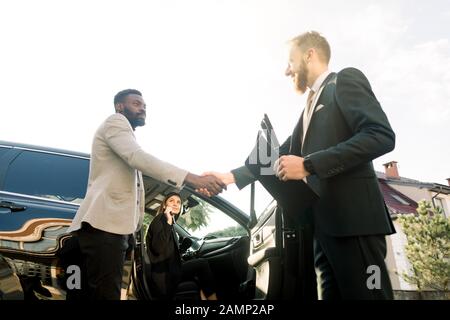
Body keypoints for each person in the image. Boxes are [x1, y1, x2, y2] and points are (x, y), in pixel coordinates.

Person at [205, 31, 396, 300]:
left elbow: (380, 136)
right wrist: (228, 177)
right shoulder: (306, 109)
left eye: (290, 61)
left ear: (310, 54)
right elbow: (278, 155)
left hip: (356, 226)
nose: (286, 70)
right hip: (323, 230)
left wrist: (308, 165)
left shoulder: (344, 80)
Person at [66, 89, 225, 300]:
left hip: (114, 231)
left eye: (144, 105)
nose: (142, 108)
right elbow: (137, 157)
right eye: (136, 103)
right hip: (104, 227)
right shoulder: (115, 122)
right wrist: (191, 178)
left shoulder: (126, 139)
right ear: (119, 107)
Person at [145, 192, 218, 300]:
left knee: (199, 276)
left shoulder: (167, 222)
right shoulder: (160, 220)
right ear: (165, 206)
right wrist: (169, 221)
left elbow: (168, 250)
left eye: (178, 202)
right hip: (165, 276)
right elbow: (158, 248)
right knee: (202, 264)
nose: (175, 204)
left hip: (170, 270)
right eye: (171, 201)